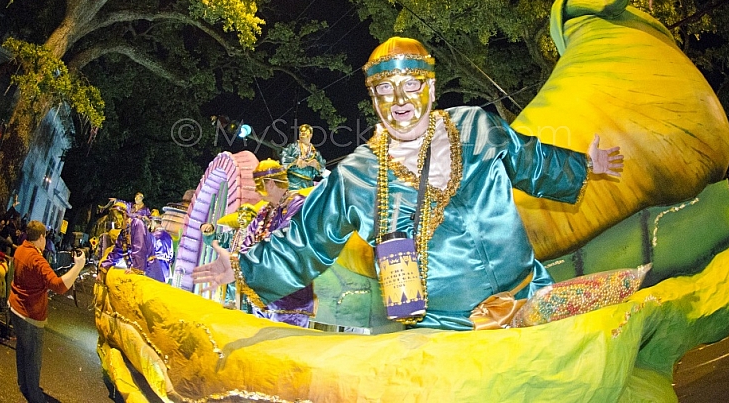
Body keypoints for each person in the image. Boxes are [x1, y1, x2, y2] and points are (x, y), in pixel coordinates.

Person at [194, 37, 623, 330]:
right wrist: (241, 266)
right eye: (385, 90)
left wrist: (587, 163)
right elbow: (306, 237)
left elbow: (532, 160)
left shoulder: (477, 127)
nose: (400, 101)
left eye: (412, 85)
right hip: (442, 330)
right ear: (373, 100)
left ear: (431, 88)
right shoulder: (356, 176)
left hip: (532, 298)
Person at [8, 220, 86, 403]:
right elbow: (59, 286)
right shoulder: (37, 259)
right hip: (30, 315)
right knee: (33, 358)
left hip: (15, 308)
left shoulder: (21, 250)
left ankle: (24, 385)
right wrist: (78, 266)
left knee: (22, 350)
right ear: (41, 237)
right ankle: (35, 396)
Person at [233, 159, 316, 327]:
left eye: (258, 184)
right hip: (262, 298)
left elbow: (286, 240)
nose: (256, 190)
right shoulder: (264, 210)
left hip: (290, 299)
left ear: (270, 183)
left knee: (285, 348)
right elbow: (247, 240)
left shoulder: (298, 204)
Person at [280, 124, 326, 190]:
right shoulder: (293, 147)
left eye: (305, 132)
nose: (302, 134)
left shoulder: (315, 153)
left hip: (308, 184)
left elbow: (323, 168)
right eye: (301, 132)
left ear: (310, 135)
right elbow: (283, 157)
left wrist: (317, 165)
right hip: (292, 183)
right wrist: (296, 161)